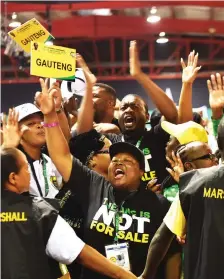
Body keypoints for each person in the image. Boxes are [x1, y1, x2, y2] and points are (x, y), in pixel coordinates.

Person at [34, 79, 181, 279]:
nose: (118, 163)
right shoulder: (94, 185)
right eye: (115, 160)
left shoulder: (159, 204)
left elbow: (172, 254)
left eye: (127, 161)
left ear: (141, 172)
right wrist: (50, 114)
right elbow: (62, 155)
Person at [1, 147, 137, 279]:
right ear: (13, 178)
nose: (29, 172)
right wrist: (124, 275)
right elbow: (79, 253)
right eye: (26, 168)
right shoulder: (40, 211)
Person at [140, 110, 224, 279]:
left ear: (218, 144)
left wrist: (145, 276)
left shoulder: (194, 184)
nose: (169, 144)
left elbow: (162, 237)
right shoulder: (191, 183)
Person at [75, 42, 178, 187]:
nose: (129, 110)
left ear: (147, 116)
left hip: (161, 205)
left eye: (135, 107)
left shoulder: (156, 136)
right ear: (119, 114)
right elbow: (82, 136)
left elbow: (172, 115)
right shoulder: (111, 142)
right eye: (124, 107)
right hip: (127, 207)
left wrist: (140, 76)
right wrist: (89, 87)